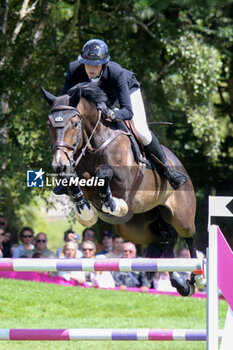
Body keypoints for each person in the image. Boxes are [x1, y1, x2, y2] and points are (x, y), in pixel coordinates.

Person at [54, 39, 188, 196]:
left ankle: (167, 169)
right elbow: (65, 102)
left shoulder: (116, 73)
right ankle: (66, 177)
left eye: (96, 65)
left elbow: (127, 112)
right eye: (87, 64)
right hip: (96, 98)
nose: (91, 68)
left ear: (104, 64)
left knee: (141, 130)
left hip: (124, 93)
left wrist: (111, 113)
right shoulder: (73, 70)